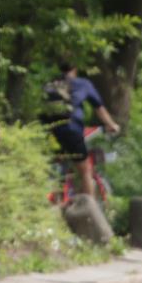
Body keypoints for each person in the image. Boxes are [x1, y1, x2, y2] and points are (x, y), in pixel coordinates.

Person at [45, 63, 120, 200]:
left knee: (59, 167)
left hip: (50, 131)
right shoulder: (83, 84)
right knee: (85, 169)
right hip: (72, 129)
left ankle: (55, 202)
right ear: (74, 69)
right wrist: (112, 125)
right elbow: (99, 108)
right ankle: (88, 209)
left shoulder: (51, 84)